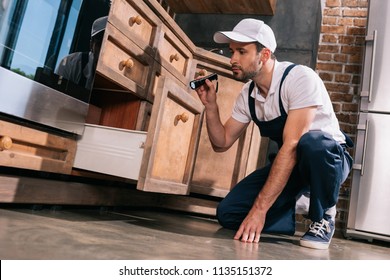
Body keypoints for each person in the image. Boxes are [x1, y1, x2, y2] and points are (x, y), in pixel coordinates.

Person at [193, 18, 353, 250]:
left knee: (313, 143)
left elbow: (292, 145)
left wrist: (260, 210)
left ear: (264, 55)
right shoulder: (248, 95)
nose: (232, 59)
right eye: (232, 52)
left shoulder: (299, 79)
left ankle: (324, 215)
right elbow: (222, 142)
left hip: (328, 161)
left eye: (241, 51)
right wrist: (211, 107)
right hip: (293, 165)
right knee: (228, 213)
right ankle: (296, 204)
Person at [56, 16, 108, 90]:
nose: (104, 48)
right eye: (101, 42)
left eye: (109, 44)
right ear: (91, 45)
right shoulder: (70, 64)